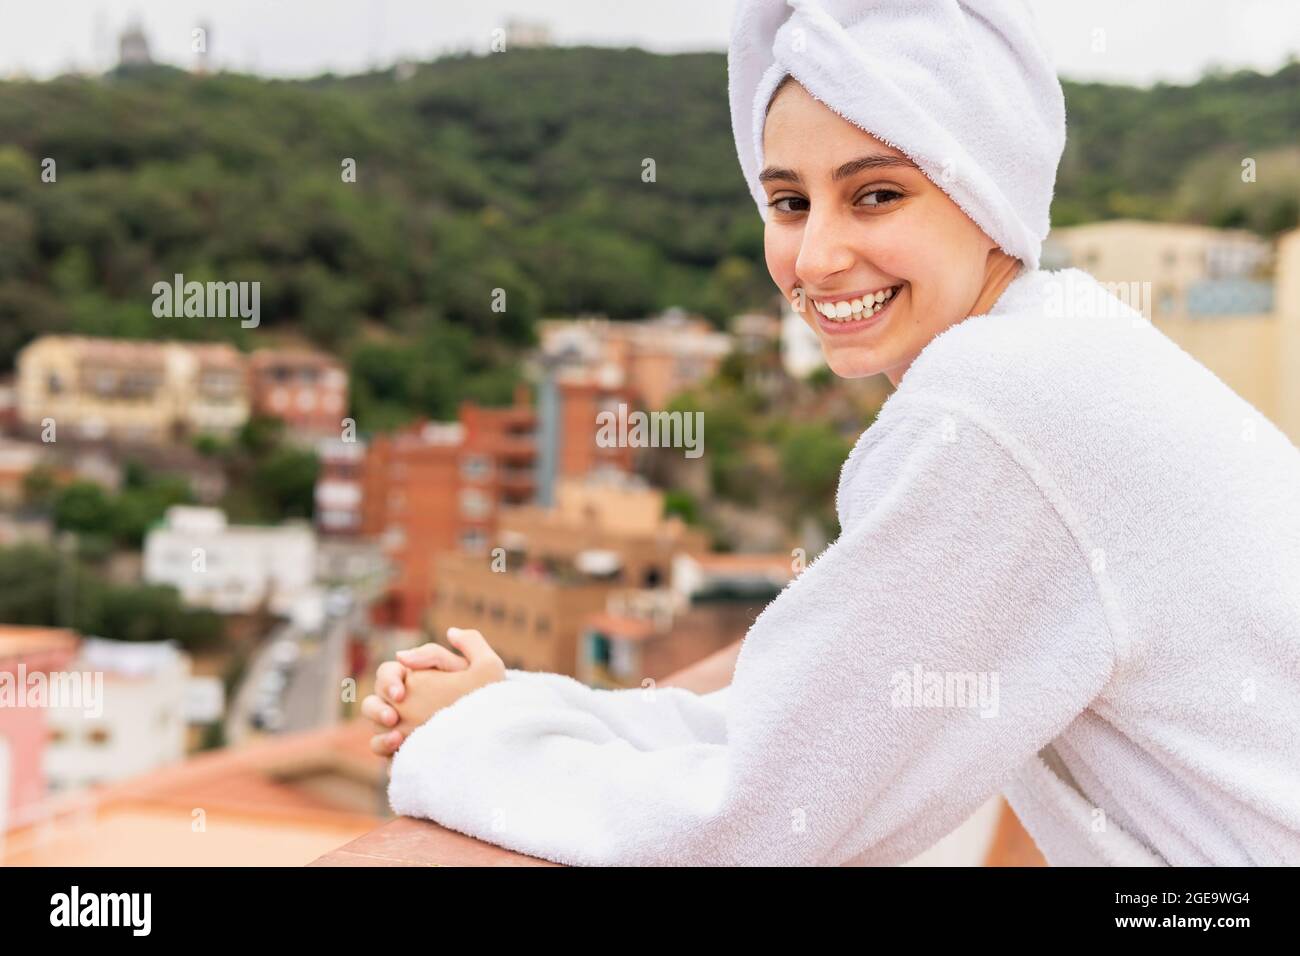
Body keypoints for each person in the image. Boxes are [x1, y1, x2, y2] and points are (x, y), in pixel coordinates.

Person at [361, 0, 1300, 866]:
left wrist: (471, 744)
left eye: (877, 195)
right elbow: (811, 725)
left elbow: (759, 826)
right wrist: (521, 710)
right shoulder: (1065, 345)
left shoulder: (997, 410)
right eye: (789, 202)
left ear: (989, 195)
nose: (815, 258)